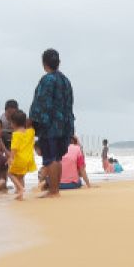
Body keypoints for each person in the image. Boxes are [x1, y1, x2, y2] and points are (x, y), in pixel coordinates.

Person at [29, 47, 75, 198]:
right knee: (57, 158)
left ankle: (54, 191)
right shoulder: (66, 81)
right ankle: (55, 189)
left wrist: (32, 122)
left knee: (50, 158)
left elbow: (41, 104)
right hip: (65, 125)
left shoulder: (47, 79)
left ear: (44, 63)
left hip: (50, 125)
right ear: (58, 62)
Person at [6, 109, 37, 198]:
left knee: (10, 173)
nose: (10, 125)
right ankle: (20, 195)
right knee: (20, 177)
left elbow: (14, 148)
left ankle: (20, 188)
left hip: (20, 159)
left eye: (11, 123)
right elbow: (30, 124)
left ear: (14, 123)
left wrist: (10, 158)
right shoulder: (31, 132)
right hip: (29, 159)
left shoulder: (16, 134)